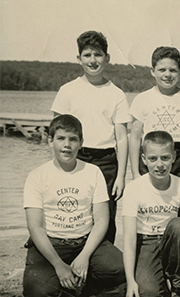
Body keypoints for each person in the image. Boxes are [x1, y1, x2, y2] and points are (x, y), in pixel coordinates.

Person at [23, 115, 125, 297]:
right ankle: (65, 283)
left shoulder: (93, 172)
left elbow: (102, 220)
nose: (67, 145)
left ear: (81, 142)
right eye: (61, 138)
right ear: (50, 141)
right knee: (37, 290)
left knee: (121, 270)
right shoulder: (37, 175)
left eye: (73, 139)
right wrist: (58, 265)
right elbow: (35, 227)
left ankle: (87, 286)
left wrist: (85, 256)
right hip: (52, 243)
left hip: (85, 242)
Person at [51, 30, 131, 243]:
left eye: (98, 54)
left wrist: (122, 176)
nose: (93, 60)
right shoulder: (67, 91)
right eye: (87, 55)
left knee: (105, 215)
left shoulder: (116, 94)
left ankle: (103, 267)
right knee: (75, 211)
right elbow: (57, 135)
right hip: (75, 158)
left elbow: (122, 138)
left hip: (106, 162)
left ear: (107, 58)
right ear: (79, 59)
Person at [123, 131, 180, 297]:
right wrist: (130, 281)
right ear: (143, 159)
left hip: (172, 243)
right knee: (148, 292)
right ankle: (161, 279)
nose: (159, 165)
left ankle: (177, 279)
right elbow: (129, 238)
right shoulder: (134, 189)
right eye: (152, 158)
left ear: (174, 156)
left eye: (165, 157)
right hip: (146, 242)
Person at [129, 46, 180, 183]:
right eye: (162, 70)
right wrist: (135, 172)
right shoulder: (142, 99)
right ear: (152, 71)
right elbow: (135, 138)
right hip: (151, 155)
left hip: (179, 157)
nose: (167, 74)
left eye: (172, 70)